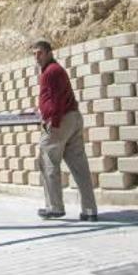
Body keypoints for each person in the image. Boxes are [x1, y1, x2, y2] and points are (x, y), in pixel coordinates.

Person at [32, 40, 98, 221]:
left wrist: (50, 121)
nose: (36, 57)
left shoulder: (50, 72)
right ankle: (90, 210)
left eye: (39, 53)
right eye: (34, 54)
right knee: (80, 167)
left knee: (48, 162)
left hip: (59, 121)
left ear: (49, 53)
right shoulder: (57, 70)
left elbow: (53, 101)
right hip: (73, 118)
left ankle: (54, 207)